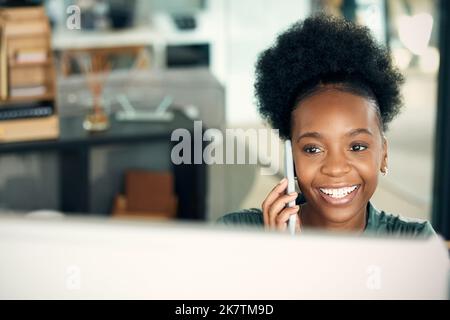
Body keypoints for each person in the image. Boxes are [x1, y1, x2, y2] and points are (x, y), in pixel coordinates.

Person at [217, 14, 435, 238]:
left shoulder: (416, 241)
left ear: (384, 155)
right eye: (313, 149)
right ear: (291, 158)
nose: (335, 168)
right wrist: (279, 257)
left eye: (357, 146)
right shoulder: (236, 234)